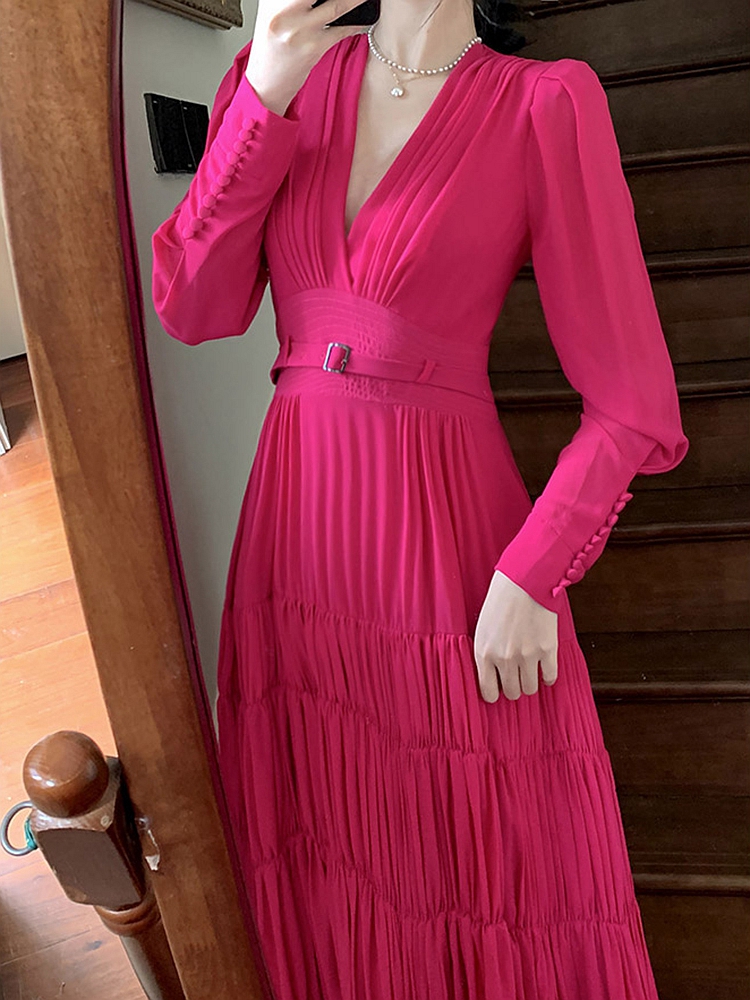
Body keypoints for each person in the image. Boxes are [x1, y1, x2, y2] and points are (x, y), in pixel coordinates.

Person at [151, 1, 689, 997]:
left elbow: (632, 404)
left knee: (485, 871)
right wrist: (263, 89)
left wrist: (536, 569)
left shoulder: (543, 103)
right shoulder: (280, 80)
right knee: (326, 852)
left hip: (450, 543)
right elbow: (194, 305)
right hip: (297, 534)